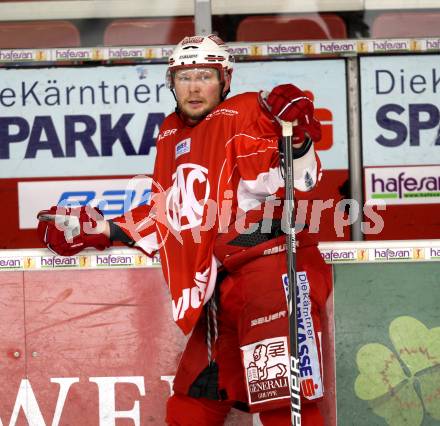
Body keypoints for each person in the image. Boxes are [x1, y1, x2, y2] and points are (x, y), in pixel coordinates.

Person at [37, 35, 332, 425]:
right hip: (220, 288)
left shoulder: (245, 113)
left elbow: (297, 175)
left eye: (205, 76)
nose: (194, 87)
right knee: (192, 402)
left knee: (283, 402)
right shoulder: (172, 132)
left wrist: (297, 137)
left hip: (271, 277)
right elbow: (171, 210)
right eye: (184, 76)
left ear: (225, 80)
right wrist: (99, 228)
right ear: (170, 82)